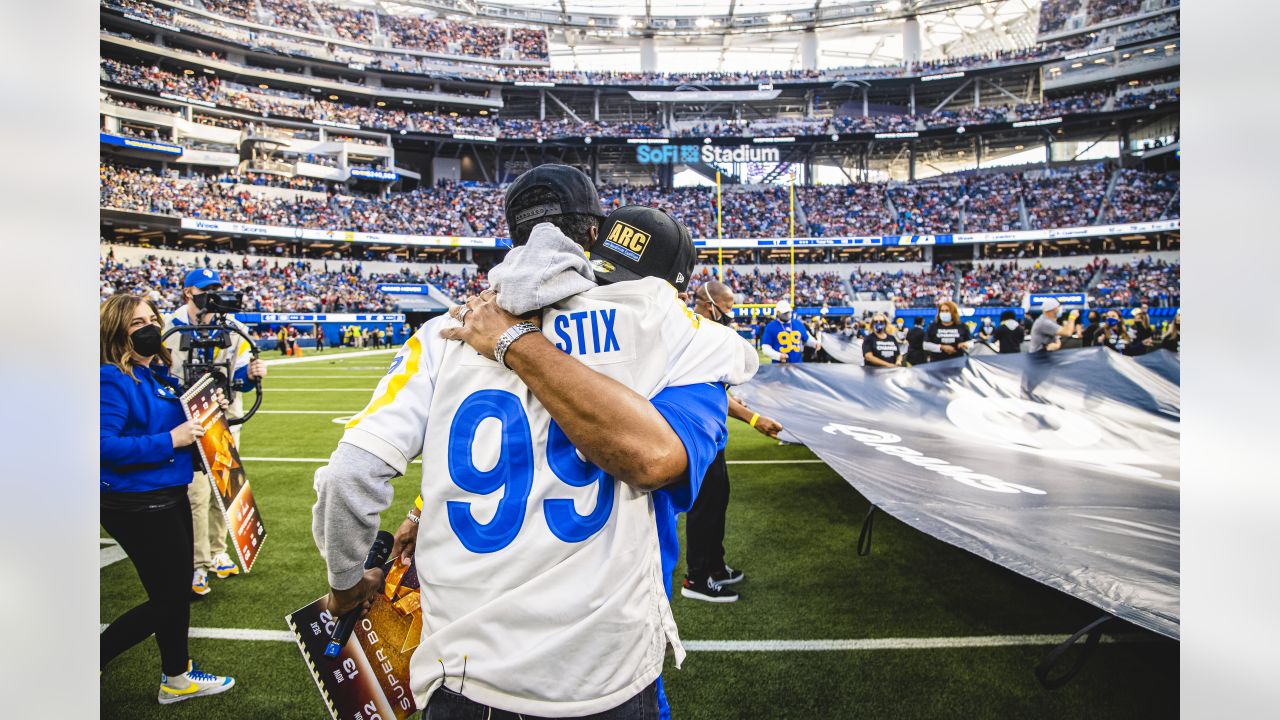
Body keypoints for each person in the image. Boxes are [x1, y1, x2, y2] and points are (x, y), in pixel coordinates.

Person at [312, 167, 759, 719]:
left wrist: (346, 586)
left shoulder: (445, 331)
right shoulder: (661, 324)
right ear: (594, 236)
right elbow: (682, 415)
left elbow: (348, 475)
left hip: (465, 677)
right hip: (601, 675)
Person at [100, 294, 236, 704]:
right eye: (136, 323)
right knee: (171, 596)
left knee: (175, 592)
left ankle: (176, 677)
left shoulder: (157, 375)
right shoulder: (111, 378)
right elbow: (101, 445)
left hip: (168, 495)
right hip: (138, 502)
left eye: (151, 319)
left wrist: (213, 414)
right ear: (115, 332)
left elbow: (188, 427)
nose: (149, 328)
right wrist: (169, 440)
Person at [164, 268, 266, 596]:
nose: (212, 295)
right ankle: (199, 563)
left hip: (223, 416)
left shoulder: (233, 328)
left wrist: (251, 374)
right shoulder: (171, 326)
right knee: (196, 494)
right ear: (187, 292)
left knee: (223, 486)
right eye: (205, 290)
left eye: (216, 289)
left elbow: (239, 378)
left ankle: (219, 549)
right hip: (185, 418)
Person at [681, 280, 784, 603]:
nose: (729, 314)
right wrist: (754, 420)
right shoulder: (691, 335)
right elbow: (706, 393)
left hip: (713, 433)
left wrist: (753, 418)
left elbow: (718, 394)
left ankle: (713, 566)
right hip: (696, 432)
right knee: (704, 506)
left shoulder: (707, 335)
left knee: (717, 500)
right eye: (726, 308)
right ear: (710, 304)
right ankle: (696, 578)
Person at [760, 299, 819, 363]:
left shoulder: (798, 324)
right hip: (779, 365)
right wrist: (779, 356)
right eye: (785, 312)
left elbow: (806, 338)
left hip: (797, 364)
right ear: (778, 313)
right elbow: (765, 348)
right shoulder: (771, 326)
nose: (787, 314)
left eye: (788, 312)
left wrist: (815, 343)